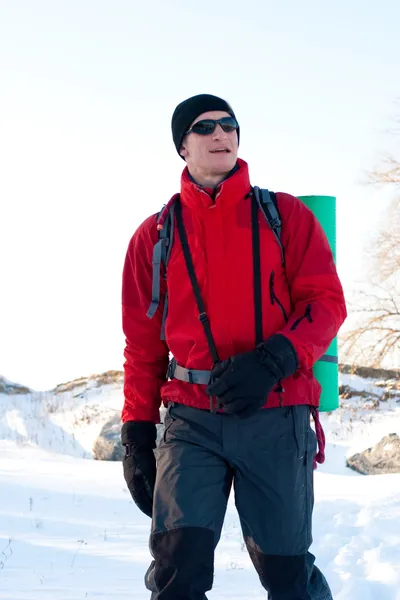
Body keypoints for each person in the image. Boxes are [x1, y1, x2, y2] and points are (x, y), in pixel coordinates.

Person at [121, 93, 347, 599]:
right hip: (191, 421)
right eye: (205, 127)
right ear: (182, 146)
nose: (221, 133)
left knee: (288, 574)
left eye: (229, 124)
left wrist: (274, 360)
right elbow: (142, 346)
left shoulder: (284, 216)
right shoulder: (153, 237)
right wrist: (136, 433)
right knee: (177, 570)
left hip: (276, 412)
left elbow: (326, 304)